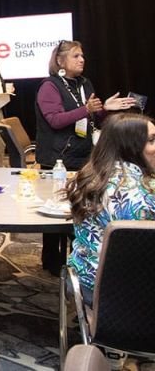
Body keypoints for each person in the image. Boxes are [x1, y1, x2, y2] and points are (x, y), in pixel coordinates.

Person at [35, 40, 135, 274]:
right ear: (60, 61)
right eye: (76, 56)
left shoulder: (84, 83)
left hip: (83, 154)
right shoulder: (49, 86)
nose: (82, 60)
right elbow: (55, 120)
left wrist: (105, 109)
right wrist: (86, 109)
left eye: (82, 56)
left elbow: (90, 118)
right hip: (58, 158)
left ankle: (77, 256)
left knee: (79, 208)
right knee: (55, 210)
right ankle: (51, 260)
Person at [66, 112, 155, 308]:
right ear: (130, 146)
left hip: (86, 280)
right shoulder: (139, 196)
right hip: (128, 294)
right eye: (151, 140)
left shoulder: (88, 177)